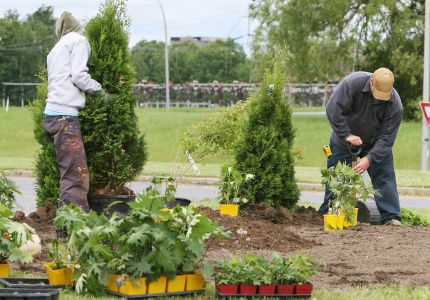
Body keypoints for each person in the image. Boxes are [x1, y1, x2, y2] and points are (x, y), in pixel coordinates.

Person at [318, 68, 403, 225]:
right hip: (344, 140)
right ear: (371, 82)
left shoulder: (395, 103)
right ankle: (330, 213)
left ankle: (391, 217)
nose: (380, 100)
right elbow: (333, 109)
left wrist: (370, 158)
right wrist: (347, 135)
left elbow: (387, 137)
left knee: (384, 177)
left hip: (374, 143)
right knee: (337, 177)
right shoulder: (353, 83)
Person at [43, 11, 102, 212]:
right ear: (76, 26)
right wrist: (100, 89)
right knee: (76, 176)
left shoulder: (55, 49)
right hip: (64, 116)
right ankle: (72, 230)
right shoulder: (78, 40)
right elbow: (79, 76)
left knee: (69, 173)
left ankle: (65, 227)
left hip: (52, 115)